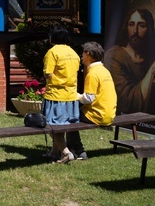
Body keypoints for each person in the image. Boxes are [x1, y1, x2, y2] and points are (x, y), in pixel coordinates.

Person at [104, 6, 155, 115]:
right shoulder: (115, 56)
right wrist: (153, 68)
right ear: (126, 27)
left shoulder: (151, 55)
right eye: (131, 24)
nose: (135, 31)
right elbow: (128, 102)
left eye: (142, 25)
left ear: (149, 29)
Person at [66, 41, 117, 160]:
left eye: (82, 54)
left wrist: (75, 95)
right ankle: (73, 149)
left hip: (97, 115)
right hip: (109, 114)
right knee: (73, 115)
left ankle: (78, 151)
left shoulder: (92, 73)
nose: (81, 56)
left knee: (69, 117)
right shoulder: (104, 70)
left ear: (88, 54)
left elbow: (88, 98)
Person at [42, 25, 80, 164]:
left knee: (51, 127)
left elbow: (48, 74)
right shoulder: (73, 53)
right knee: (61, 126)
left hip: (56, 96)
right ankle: (54, 152)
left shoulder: (52, 52)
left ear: (53, 37)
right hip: (71, 97)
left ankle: (66, 152)